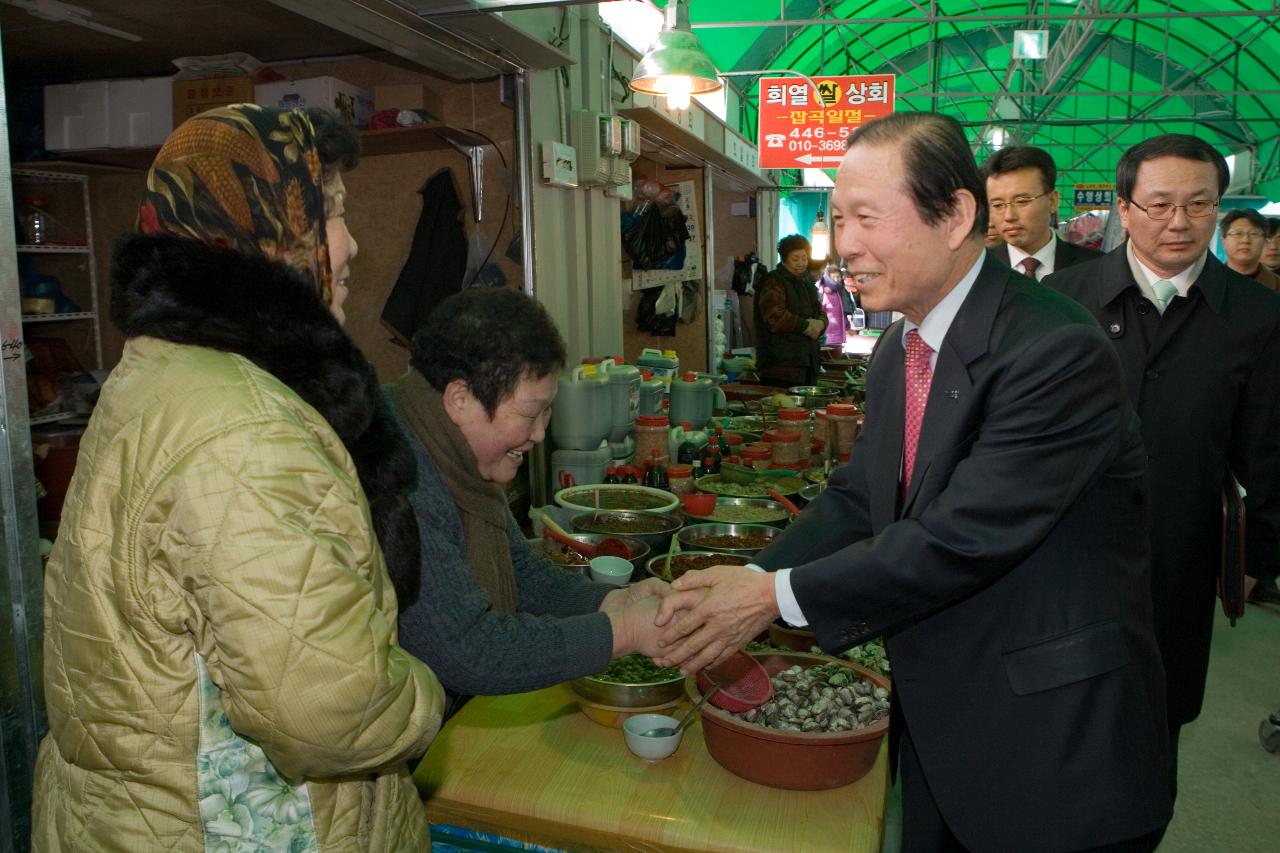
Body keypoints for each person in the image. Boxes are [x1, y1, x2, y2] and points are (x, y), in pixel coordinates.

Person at [655, 111, 1171, 852]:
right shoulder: (900, 348)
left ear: (957, 215)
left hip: (1052, 750)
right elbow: (862, 496)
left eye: (867, 217)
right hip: (943, 729)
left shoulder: (1056, 351)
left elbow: (962, 537)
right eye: (837, 219)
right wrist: (747, 576)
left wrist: (773, 598)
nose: (845, 246)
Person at [32, 105, 444, 851]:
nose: (352, 245)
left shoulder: (164, 371)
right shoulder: (247, 428)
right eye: (335, 213)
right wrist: (422, 694)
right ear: (271, 228)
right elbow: (322, 710)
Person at [1045, 135, 1280, 794]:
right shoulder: (1065, 300)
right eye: (1159, 205)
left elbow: (1264, 444)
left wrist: (1253, 555)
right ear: (1124, 208)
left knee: (1156, 718)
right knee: (1058, 711)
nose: (1179, 222)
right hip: (1061, 552)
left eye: (1199, 205)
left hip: (1182, 553)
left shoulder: (1257, 316)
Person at [389, 288, 674, 719]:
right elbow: (468, 650)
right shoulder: (399, 478)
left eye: (548, 413)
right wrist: (623, 632)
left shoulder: (456, 454)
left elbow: (520, 573)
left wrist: (612, 603)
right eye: (530, 413)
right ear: (460, 399)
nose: (540, 434)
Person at [982, 145, 1102, 279]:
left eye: (1022, 201)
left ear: (1052, 201)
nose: (1009, 216)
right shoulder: (978, 270)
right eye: (998, 205)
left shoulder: (1095, 267)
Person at [753, 233, 826, 386]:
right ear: (784, 258)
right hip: (780, 366)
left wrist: (820, 324)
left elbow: (820, 311)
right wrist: (806, 326)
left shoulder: (806, 283)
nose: (801, 263)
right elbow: (774, 317)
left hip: (807, 363)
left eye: (804, 258)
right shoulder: (773, 281)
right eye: (795, 258)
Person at [1219, 208, 1280, 291]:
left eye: (1254, 234)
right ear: (1223, 241)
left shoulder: (1277, 284)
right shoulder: (1206, 282)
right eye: (1238, 233)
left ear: (1264, 242)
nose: (1245, 240)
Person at [818, 263, 849, 346]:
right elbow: (821, 311)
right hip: (829, 332)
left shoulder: (840, 291)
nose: (836, 279)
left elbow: (842, 311)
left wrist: (846, 324)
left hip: (839, 330)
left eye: (838, 277)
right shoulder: (824, 292)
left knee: (836, 352)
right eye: (833, 277)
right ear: (828, 278)